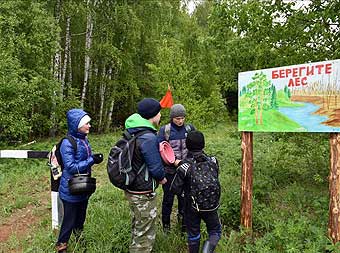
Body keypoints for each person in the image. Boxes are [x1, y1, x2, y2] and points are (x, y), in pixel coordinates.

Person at [56, 109, 103, 253]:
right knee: (69, 220)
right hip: (71, 188)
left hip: (82, 186)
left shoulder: (83, 139)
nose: (89, 126)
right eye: (86, 124)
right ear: (77, 125)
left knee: (80, 217)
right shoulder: (67, 143)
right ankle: (61, 245)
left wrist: (93, 159)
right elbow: (71, 167)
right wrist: (91, 160)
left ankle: (79, 240)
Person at [124, 98, 167, 253]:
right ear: (153, 115)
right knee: (144, 235)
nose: (161, 115)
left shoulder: (134, 129)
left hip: (133, 187)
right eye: (159, 113)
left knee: (139, 225)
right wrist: (162, 178)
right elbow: (155, 168)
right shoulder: (148, 137)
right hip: (143, 191)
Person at [170, 131, 222, 253]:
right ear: (203, 144)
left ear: (187, 146)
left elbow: (175, 188)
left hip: (191, 207)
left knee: (193, 234)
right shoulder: (214, 161)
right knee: (215, 232)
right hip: (211, 205)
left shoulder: (185, 167)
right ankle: (207, 250)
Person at [158, 104, 195, 232]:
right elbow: (160, 150)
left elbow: (194, 147)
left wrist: (189, 163)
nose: (180, 121)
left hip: (185, 171)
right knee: (168, 200)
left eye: (182, 118)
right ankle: (166, 227)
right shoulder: (165, 130)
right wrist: (172, 162)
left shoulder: (190, 129)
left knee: (184, 199)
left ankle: (183, 226)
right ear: (172, 117)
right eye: (177, 118)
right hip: (169, 172)